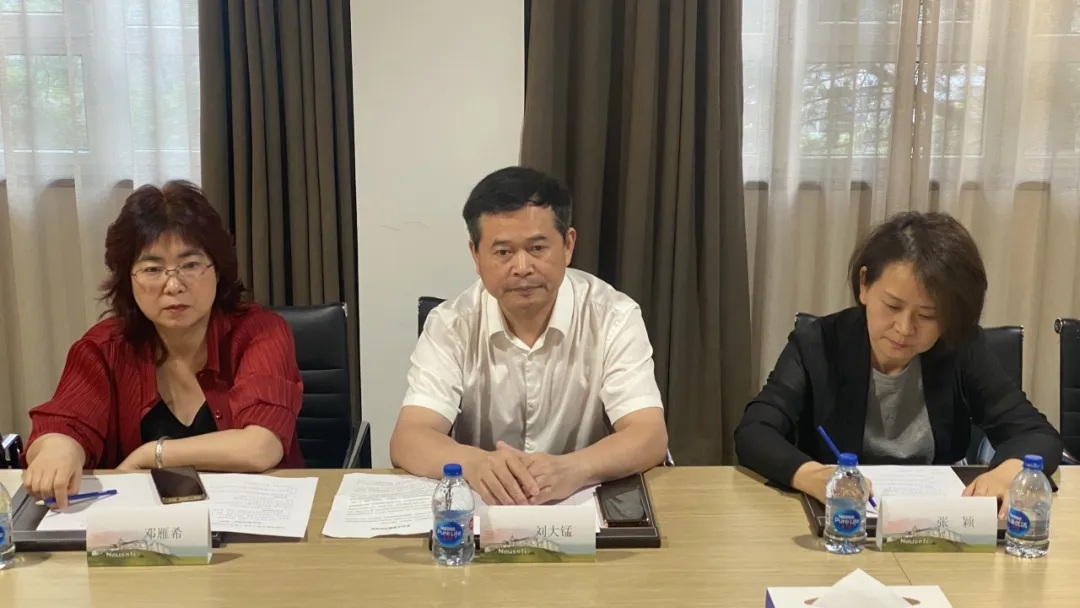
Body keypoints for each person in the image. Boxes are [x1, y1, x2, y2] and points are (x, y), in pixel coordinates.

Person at [735, 211, 1062, 515]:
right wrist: (812, 475)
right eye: (892, 306)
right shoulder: (817, 343)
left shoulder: (961, 347)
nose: (904, 329)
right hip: (844, 519)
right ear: (864, 285)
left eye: (927, 316)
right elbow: (755, 431)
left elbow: (1036, 433)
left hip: (938, 520)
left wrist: (1010, 471)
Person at [389, 166, 669, 506]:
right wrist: (477, 465)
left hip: (582, 510)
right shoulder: (451, 324)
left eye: (537, 248)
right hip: (485, 513)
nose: (522, 268)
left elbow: (649, 434)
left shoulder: (614, 317)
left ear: (567, 245)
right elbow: (409, 437)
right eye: (503, 252)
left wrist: (574, 468)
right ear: (476, 256)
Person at [23, 181, 305, 508]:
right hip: (143, 526)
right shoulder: (104, 348)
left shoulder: (260, 332)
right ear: (128, 280)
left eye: (190, 265)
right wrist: (59, 449)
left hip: (254, 516)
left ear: (218, 270)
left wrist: (151, 454)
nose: (173, 285)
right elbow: (63, 425)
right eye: (152, 269)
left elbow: (260, 447)